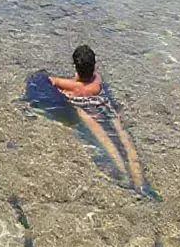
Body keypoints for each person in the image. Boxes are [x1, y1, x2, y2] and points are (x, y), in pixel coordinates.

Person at [48, 46, 150, 194]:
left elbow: (51, 81)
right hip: (106, 107)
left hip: (86, 112)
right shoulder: (97, 80)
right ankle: (140, 183)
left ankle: (124, 177)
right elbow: (90, 79)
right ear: (94, 66)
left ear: (75, 66)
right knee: (126, 142)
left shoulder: (70, 86)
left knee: (107, 143)